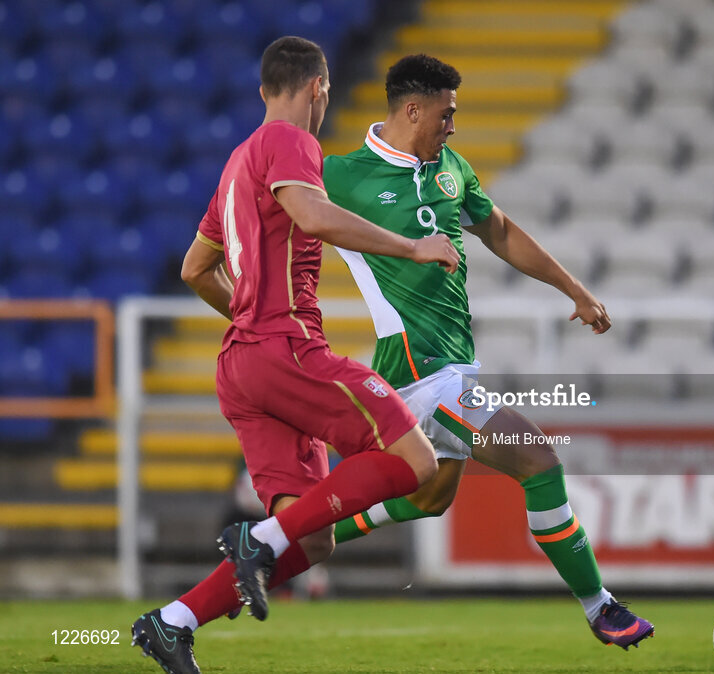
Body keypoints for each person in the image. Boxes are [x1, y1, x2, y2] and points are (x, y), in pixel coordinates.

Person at [130, 37, 460, 674]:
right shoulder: (291, 142)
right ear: (319, 88)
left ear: (263, 89)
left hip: (243, 364)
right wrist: (414, 246)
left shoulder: (235, 164)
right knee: (414, 459)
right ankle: (258, 538)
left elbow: (196, 269)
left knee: (311, 539)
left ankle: (172, 623)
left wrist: (249, 320)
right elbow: (312, 215)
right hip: (284, 348)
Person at [322, 54, 654, 650]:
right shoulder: (341, 175)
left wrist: (573, 289)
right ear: (412, 109)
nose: (453, 125)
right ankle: (600, 606)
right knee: (538, 460)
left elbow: (498, 230)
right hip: (419, 374)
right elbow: (279, 206)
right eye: (446, 114)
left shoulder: (452, 168)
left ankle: (284, 538)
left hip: (452, 367)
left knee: (430, 499)